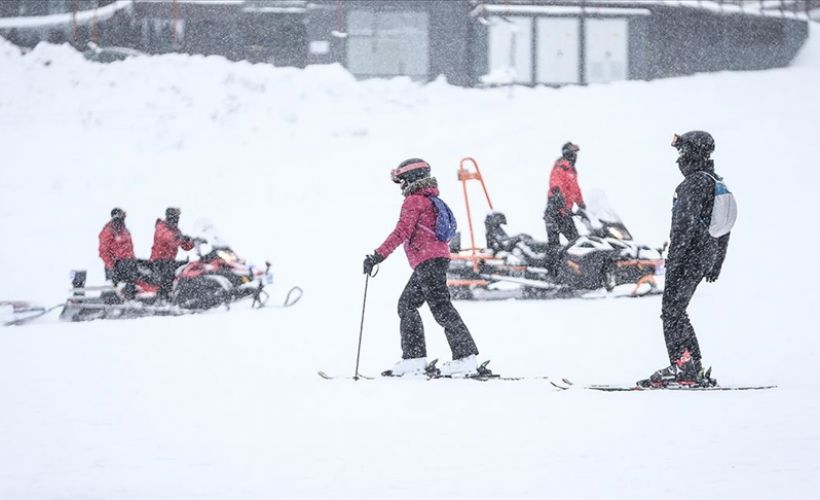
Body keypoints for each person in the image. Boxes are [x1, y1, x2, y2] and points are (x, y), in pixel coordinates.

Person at [363, 158, 480, 377]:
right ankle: (414, 359)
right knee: (407, 305)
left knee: (441, 308)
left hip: (428, 261)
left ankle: (465, 358)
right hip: (432, 260)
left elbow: (401, 232)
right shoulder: (429, 199)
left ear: (411, 178)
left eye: (402, 181)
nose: (401, 186)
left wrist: (377, 256)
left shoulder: (414, 201)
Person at [642, 130, 731, 387]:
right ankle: (693, 365)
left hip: (689, 255)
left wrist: (675, 259)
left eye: (682, 152)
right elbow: (724, 229)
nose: (678, 159)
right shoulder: (714, 182)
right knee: (678, 311)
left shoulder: (692, 184)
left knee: (671, 312)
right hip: (704, 255)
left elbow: (684, 225)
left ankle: (683, 366)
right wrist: (716, 261)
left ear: (693, 153)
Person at [544, 142, 585, 246]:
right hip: (555, 211)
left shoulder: (572, 171)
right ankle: (553, 261)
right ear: (568, 153)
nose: (575, 156)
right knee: (554, 245)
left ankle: (574, 261)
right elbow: (555, 182)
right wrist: (557, 194)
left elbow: (575, 190)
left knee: (576, 241)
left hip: (565, 212)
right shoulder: (561, 167)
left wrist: (581, 203)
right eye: (573, 153)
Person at [150, 207, 195, 299]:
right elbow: (168, 238)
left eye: (177, 217)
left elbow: (185, 247)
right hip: (159, 260)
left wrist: (192, 241)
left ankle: (183, 294)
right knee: (167, 274)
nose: (176, 220)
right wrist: (181, 238)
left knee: (186, 268)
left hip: (170, 260)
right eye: (175, 217)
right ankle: (163, 296)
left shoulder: (176, 230)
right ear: (169, 217)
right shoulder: (161, 227)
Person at [98, 208, 135, 281]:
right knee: (115, 289)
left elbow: (130, 249)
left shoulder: (125, 231)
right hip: (115, 266)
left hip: (128, 266)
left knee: (129, 289)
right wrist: (111, 266)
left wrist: (132, 261)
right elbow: (103, 251)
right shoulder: (108, 231)